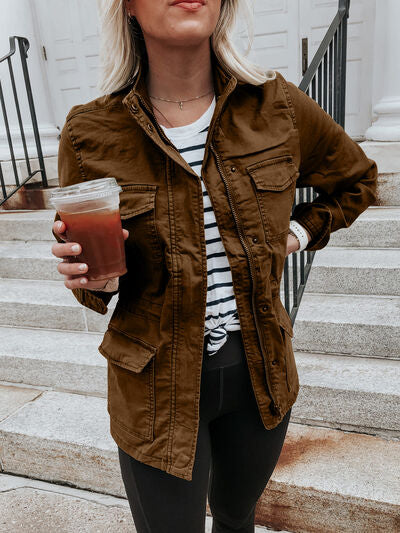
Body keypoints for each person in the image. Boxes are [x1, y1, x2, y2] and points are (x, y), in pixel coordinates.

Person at [51, 0, 378, 531]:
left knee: (235, 518)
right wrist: (95, 279)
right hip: (154, 386)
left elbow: (357, 180)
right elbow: (94, 286)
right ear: (128, 7)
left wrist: (295, 234)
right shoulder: (90, 131)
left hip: (259, 373)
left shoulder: (275, 105)